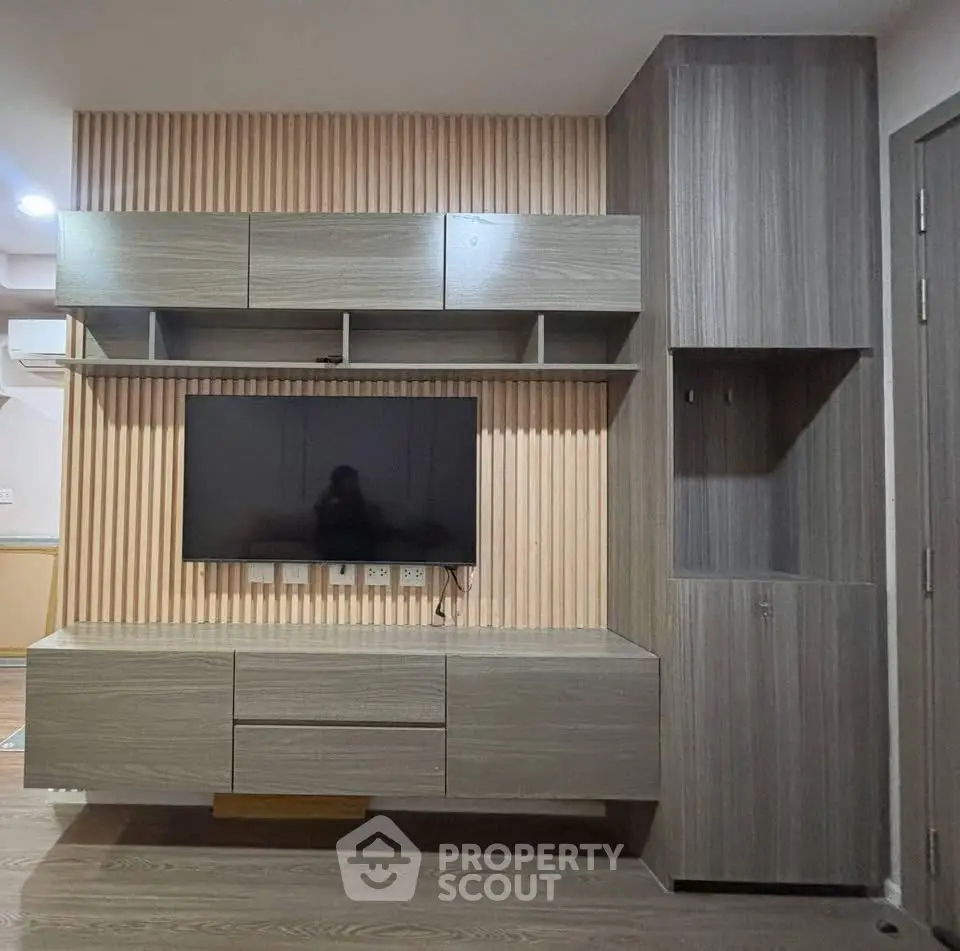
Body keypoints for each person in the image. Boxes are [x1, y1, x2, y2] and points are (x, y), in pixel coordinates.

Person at [314, 465, 378, 561]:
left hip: (356, 539)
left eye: (354, 480)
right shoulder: (328, 497)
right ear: (339, 482)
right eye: (350, 480)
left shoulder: (356, 496)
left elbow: (362, 519)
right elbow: (326, 520)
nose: (354, 483)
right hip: (334, 542)